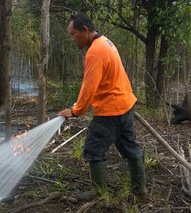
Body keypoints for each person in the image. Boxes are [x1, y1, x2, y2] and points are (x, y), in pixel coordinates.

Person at [58, 12, 146, 197]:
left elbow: (88, 87)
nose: (72, 39)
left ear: (85, 30)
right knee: (131, 147)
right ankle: (139, 190)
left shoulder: (95, 52)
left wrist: (75, 111)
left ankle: (99, 195)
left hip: (111, 110)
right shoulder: (105, 42)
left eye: (73, 34)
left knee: (93, 149)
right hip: (125, 104)